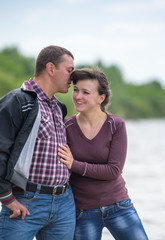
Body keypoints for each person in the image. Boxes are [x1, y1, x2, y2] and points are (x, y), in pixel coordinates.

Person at [0, 45, 76, 240]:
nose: (73, 77)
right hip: (27, 201)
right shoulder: (16, 101)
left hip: (64, 203)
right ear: (51, 69)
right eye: (69, 71)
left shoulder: (59, 107)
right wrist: (6, 198)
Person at [58, 67, 149, 240]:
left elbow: (113, 171)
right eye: (76, 90)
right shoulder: (66, 127)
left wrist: (74, 164)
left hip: (119, 206)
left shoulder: (116, 125)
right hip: (82, 212)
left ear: (101, 98)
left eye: (85, 92)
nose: (78, 96)